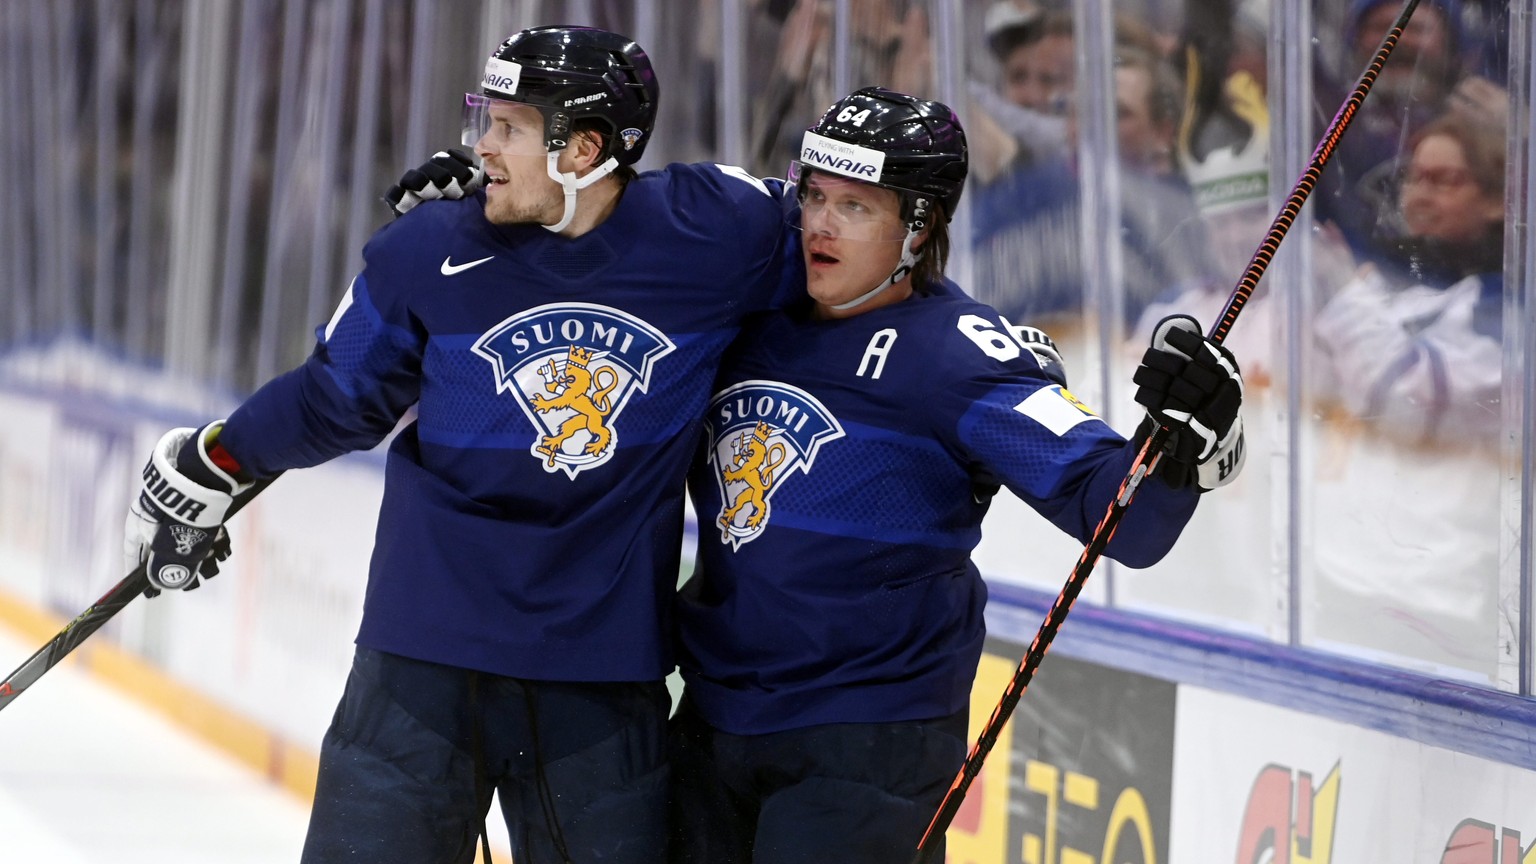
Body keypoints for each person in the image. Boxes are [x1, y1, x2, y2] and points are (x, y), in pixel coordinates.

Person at [123, 24, 794, 864]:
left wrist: (963, 347)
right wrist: (218, 459)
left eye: (510, 127)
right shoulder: (432, 247)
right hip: (422, 667)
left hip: (599, 682)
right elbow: (335, 397)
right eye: (490, 121)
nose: (482, 147)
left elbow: (851, 230)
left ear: (582, 148)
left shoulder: (716, 233)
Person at [666, 87, 1246, 863]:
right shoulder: (751, 314)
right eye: (814, 196)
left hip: (864, 743)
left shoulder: (958, 353)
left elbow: (1123, 519)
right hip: (711, 721)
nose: (821, 225)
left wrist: (1182, 446)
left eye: (857, 206)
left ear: (920, 226)